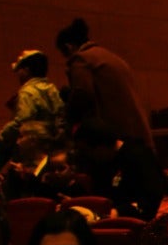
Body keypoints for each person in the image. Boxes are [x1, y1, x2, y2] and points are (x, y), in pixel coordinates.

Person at [55, 17, 152, 149]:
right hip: (136, 130)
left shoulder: (81, 60)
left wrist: (67, 122)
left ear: (68, 47)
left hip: (113, 134)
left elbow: (82, 97)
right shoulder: (111, 57)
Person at [0, 50, 66, 155]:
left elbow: (23, 119)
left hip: (33, 146)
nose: (18, 75)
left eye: (19, 70)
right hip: (53, 144)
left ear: (26, 70)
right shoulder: (53, 89)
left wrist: (4, 132)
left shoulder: (27, 92)